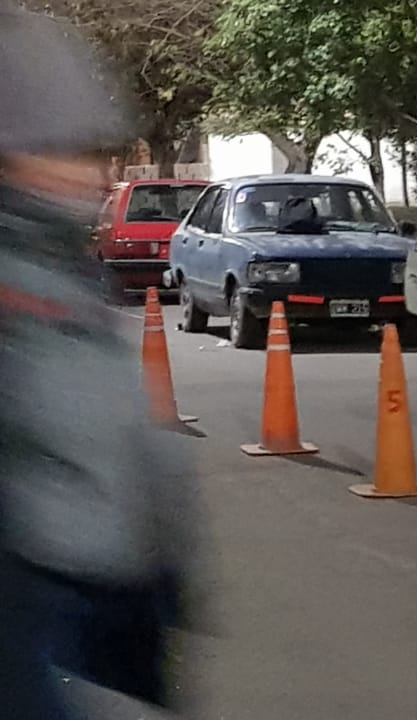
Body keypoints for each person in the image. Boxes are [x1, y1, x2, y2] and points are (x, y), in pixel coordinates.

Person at [0, 4, 200, 719]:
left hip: (120, 596)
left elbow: (116, 419)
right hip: (43, 616)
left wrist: (169, 571)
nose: (87, 175)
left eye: (91, 151)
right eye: (57, 148)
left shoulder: (64, 265)